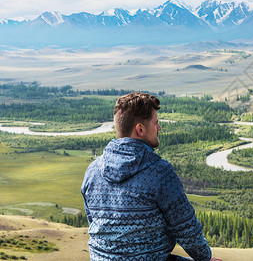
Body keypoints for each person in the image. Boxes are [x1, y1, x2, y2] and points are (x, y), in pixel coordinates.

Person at [81, 92, 221, 261]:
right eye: (156, 123)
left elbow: (95, 223)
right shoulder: (159, 172)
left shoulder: (92, 171)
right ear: (140, 129)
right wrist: (206, 257)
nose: (159, 128)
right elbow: (186, 229)